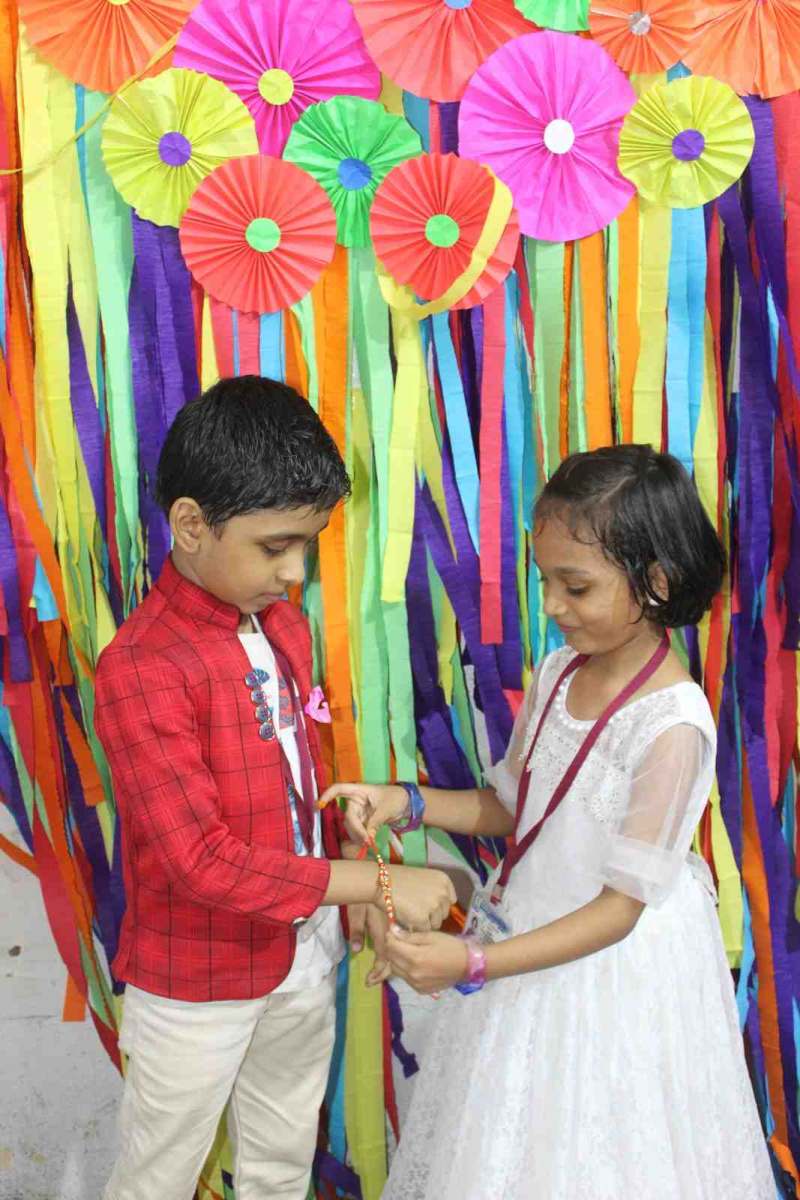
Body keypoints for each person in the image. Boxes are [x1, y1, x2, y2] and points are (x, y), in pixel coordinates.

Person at [321, 445, 775, 1199]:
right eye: (546, 582)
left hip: (613, 972)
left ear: (657, 583)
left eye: (577, 586)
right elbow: (514, 807)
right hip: (529, 936)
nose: (554, 606)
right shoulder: (561, 671)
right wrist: (406, 799)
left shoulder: (673, 724)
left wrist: (473, 963)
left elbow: (619, 911)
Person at [94, 376, 455, 1200]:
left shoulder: (284, 625)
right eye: (275, 546)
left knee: (282, 1162)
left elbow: (300, 776)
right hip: (195, 982)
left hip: (302, 957)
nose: (295, 571)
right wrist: (378, 881)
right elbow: (200, 861)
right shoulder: (143, 667)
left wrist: (349, 884)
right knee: (156, 1177)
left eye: (307, 545)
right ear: (191, 524)